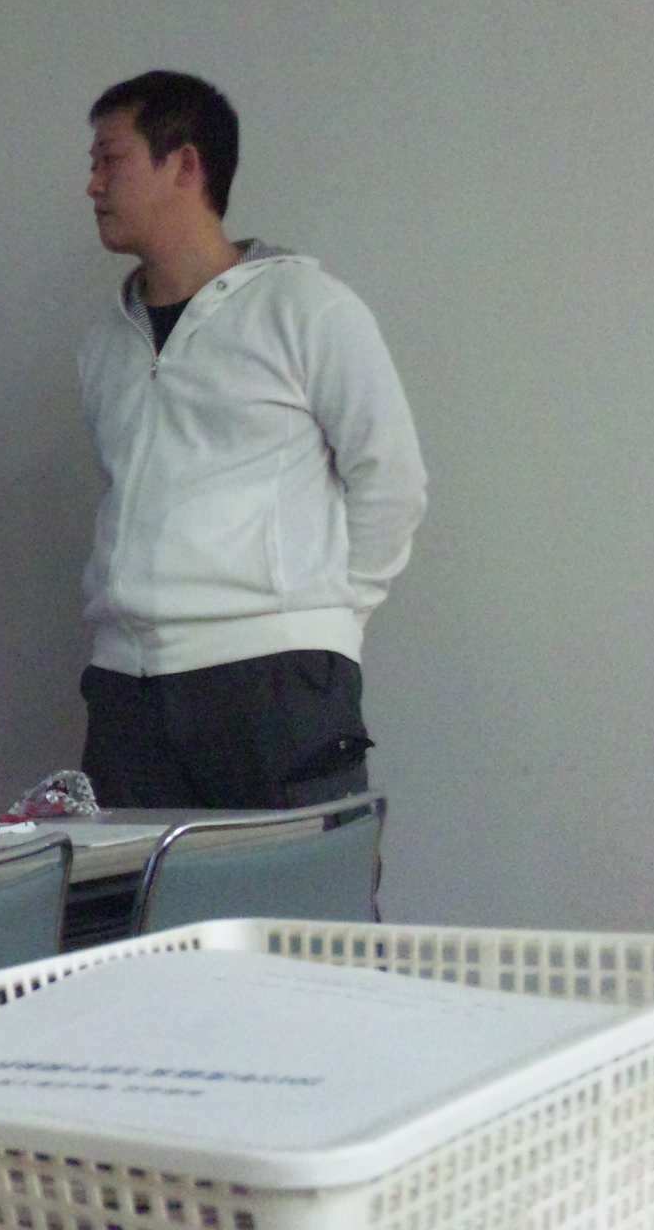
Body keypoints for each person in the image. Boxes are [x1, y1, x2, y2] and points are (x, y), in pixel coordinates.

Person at [77, 71, 427, 809]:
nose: (93, 185)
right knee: (134, 890)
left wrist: (319, 621)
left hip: (273, 681)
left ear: (185, 165)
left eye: (111, 160)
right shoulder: (105, 339)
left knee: (293, 889)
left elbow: (391, 480)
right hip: (124, 690)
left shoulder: (305, 305)